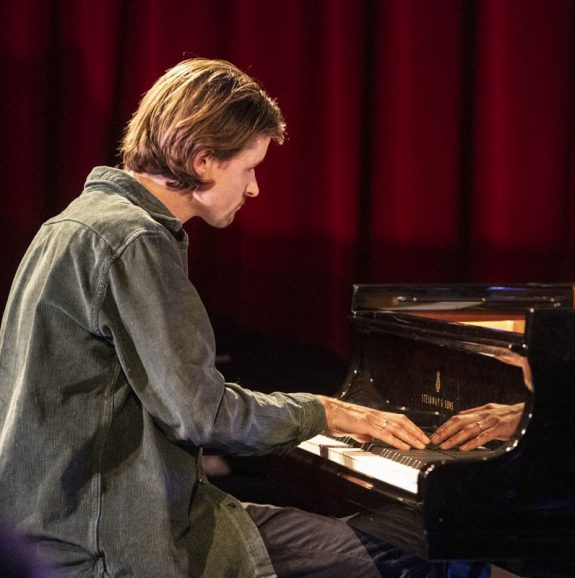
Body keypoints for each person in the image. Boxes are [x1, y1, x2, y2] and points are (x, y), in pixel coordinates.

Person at [0, 58, 440, 578]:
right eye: (248, 167)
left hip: (77, 522)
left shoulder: (73, 224)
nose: (253, 189)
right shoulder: (134, 240)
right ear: (205, 160)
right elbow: (200, 414)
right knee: (418, 551)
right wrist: (327, 413)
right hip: (111, 540)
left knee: (404, 538)